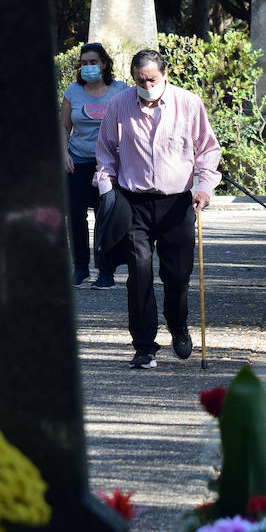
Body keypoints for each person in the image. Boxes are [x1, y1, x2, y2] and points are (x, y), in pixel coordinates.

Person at [95, 49, 221, 368]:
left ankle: (178, 326)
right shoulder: (119, 105)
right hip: (133, 202)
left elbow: (208, 150)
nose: (146, 85)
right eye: (140, 80)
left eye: (152, 79)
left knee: (177, 275)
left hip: (177, 202)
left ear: (165, 75)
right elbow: (106, 153)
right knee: (138, 273)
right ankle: (144, 345)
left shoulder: (188, 103)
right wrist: (108, 190)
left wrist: (204, 189)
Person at [60, 43, 129, 286]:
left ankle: (106, 270)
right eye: (84, 63)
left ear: (104, 63)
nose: (89, 67)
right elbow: (64, 126)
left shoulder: (120, 91)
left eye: (94, 62)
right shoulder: (73, 92)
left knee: (106, 216)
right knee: (75, 215)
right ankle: (80, 267)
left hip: (109, 163)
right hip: (78, 160)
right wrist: (63, 153)